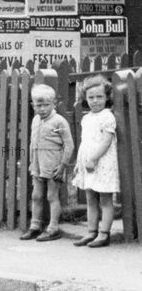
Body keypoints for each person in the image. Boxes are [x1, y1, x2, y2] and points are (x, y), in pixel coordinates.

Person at [20, 84, 74, 241]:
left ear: (54, 104)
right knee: (36, 196)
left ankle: (53, 228)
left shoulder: (59, 121)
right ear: (33, 105)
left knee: (52, 196)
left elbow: (69, 145)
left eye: (46, 105)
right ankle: (35, 226)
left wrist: (63, 165)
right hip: (37, 165)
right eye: (39, 105)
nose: (42, 109)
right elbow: (33, 143)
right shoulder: (36, 120)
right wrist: (32, 163)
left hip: (53, 165)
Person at [71, 75, 120, 248]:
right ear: (85, 98)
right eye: (91, 97)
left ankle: (104, 234)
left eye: (99, 97)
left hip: (102, 163)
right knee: (90, 199)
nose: (95, 101)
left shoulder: (107, 117)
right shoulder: (86, 118)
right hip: (88, 163)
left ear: (107, 97)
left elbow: (106, 141)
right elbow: (84, 143)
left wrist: (94, 159)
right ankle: (91, 232)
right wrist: (79, 163)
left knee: (105, 199)